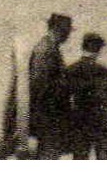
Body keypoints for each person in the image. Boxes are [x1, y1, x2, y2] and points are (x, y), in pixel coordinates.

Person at [65, 32, 107, 159]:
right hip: (101, 124)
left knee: (80, 158)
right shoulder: (101, 71)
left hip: (79, 123)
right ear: (98, 49)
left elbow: (63, 99)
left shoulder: (71, 69)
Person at [27, 13, 74, 159]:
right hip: (48, 113)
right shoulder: (45, 50)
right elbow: (39, 83)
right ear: (59, 30)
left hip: (50, 112)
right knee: (49, 152)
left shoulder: (49, 46)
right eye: (67, 31)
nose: (68, 36)